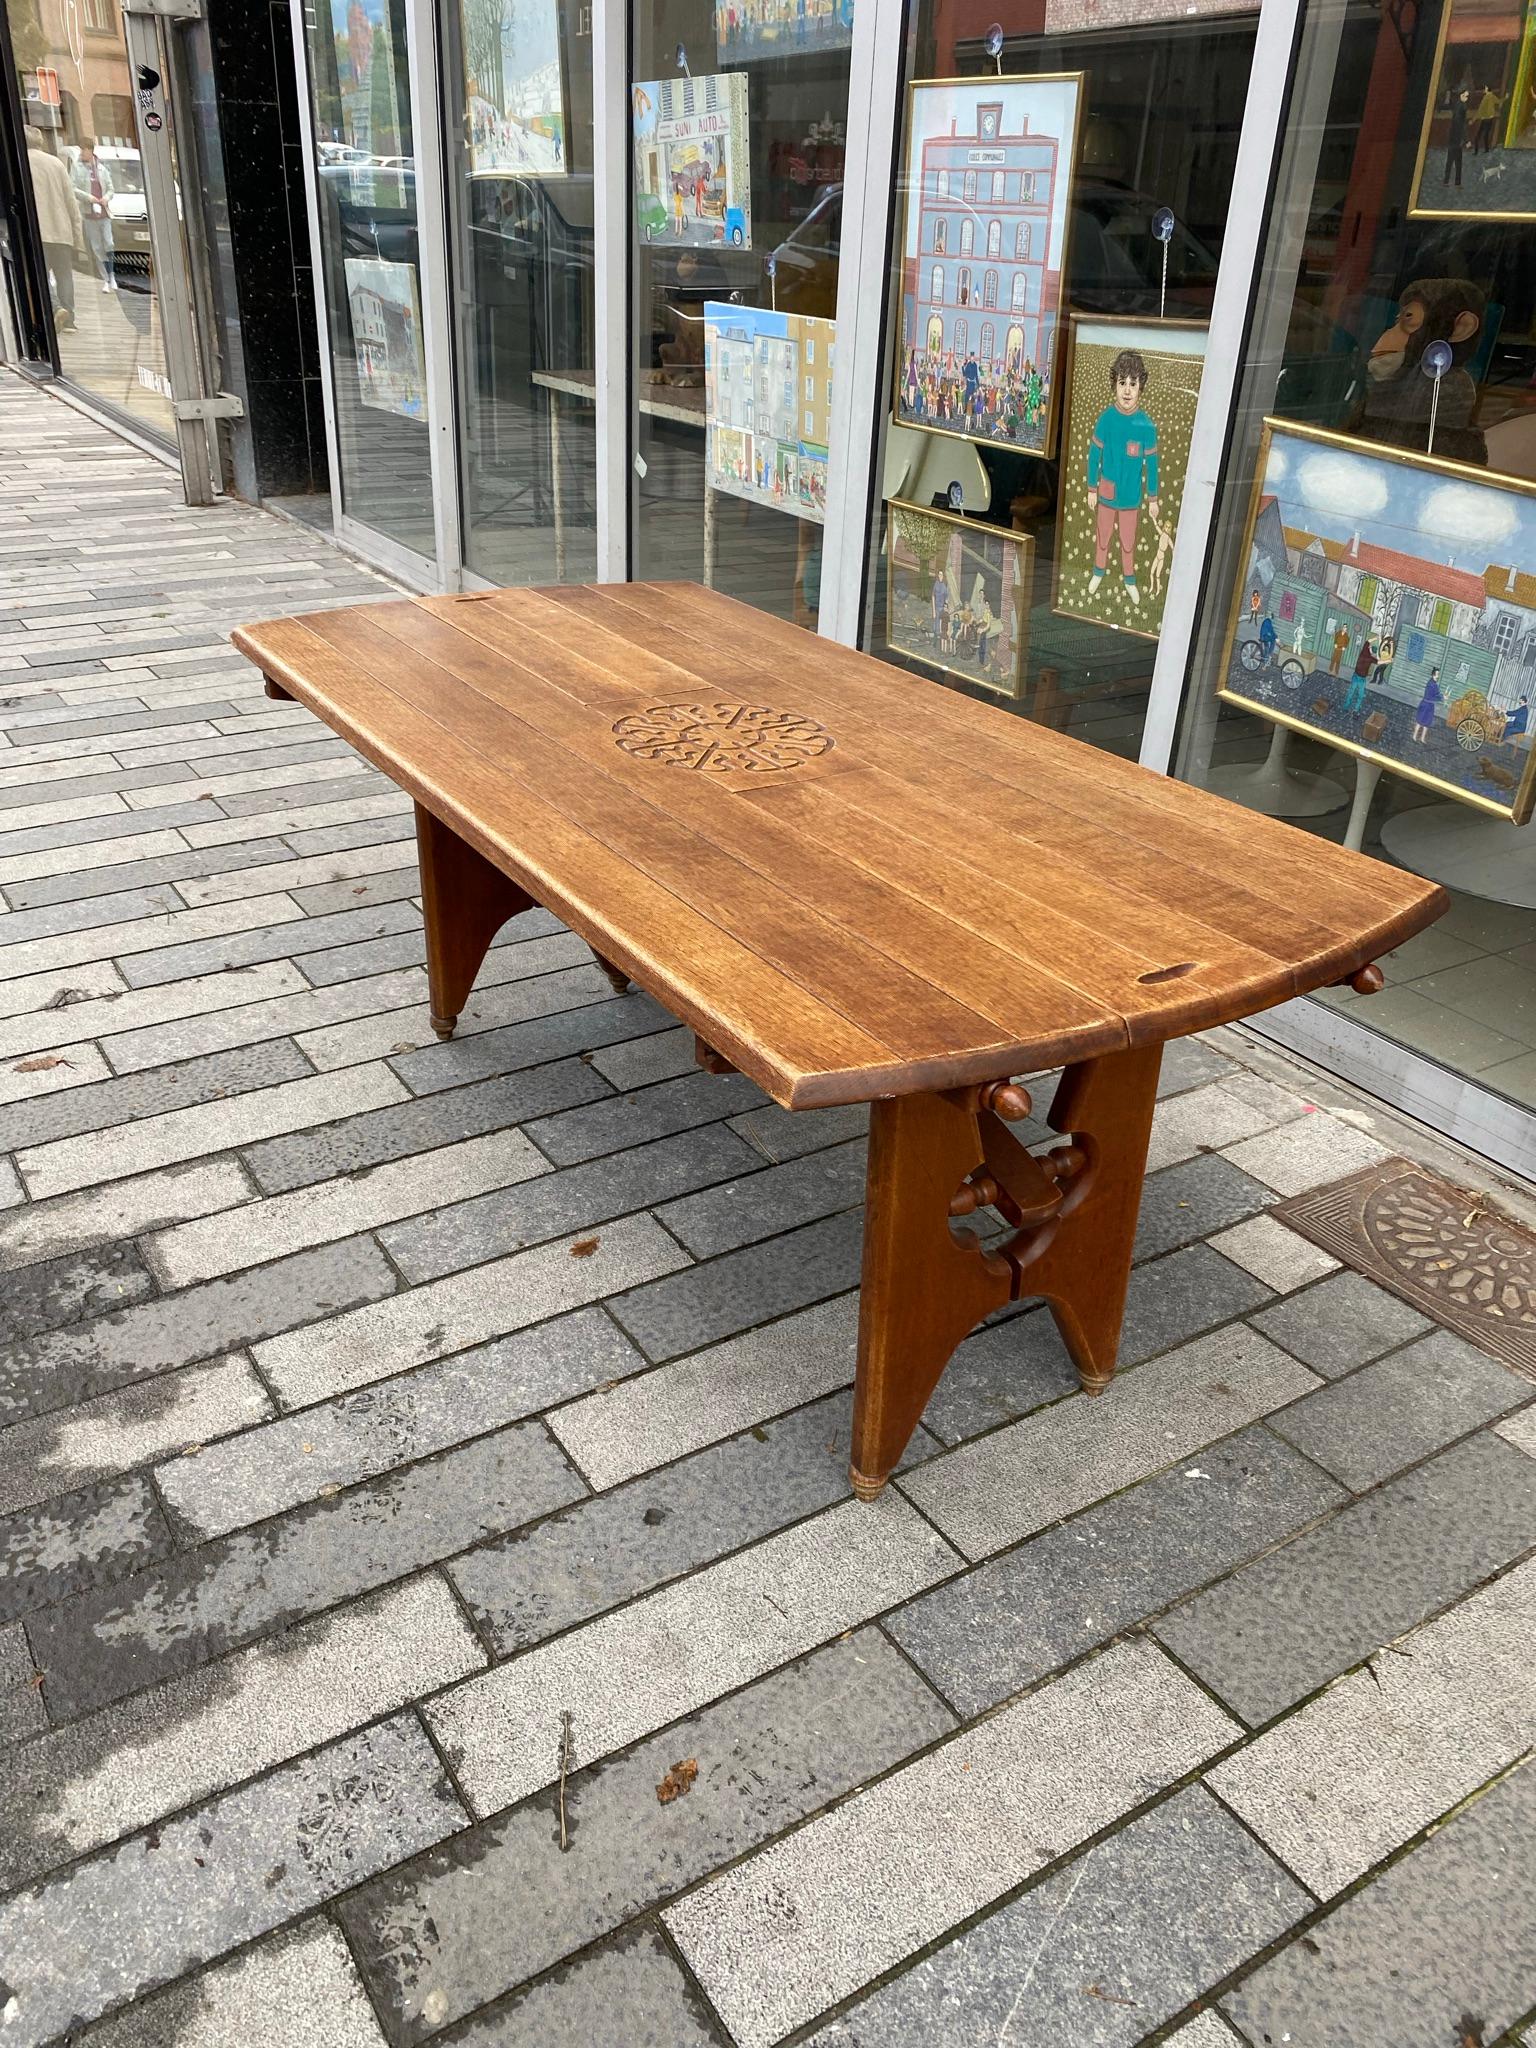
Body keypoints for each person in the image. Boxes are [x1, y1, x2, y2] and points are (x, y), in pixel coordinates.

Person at [1086, 349, 1159, 609]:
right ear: (1114, 385)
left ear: (1141, 387)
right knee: (1103, 537)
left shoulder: (1146, 426)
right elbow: (1094, 456)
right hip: (1106, 494)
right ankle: (1098, 572)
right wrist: (1091, 489)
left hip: (1131, 499)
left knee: (1128, 543)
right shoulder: (1105, 420)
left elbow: (1152, 465)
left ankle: (1130, 581)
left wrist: (1153, 498)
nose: (1127, 390)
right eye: (1122, 383)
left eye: (1133, 383)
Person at [25, 128, 82, 331]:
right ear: (41, 142)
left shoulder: (22, 163)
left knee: (38, 274)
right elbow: (71, 202)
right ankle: (70, 320)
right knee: (64, 275)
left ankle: (56, 307)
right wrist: (77, 236)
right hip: (61, 230)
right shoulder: (57, 163)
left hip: (37, 231)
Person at [72, 144, 116, 293]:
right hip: (89, 214)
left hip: (104, 213)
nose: (82, 153)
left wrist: (106, 198)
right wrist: (88, 197)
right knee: (97, 248)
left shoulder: (102, 168)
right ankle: (106, 279)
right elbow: (73, 188)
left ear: (90, 151)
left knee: (109, 243)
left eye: (84, 150)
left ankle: (112, 275)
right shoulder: (77, 168)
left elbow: (111, 188)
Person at [1444, 85, 1471, 188]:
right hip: (1457, 138)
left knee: (1450, 160)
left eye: (1467, 96)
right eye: (1465, 96)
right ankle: (1457, 183)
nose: (1466, 98)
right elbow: (1462, 126)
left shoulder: (1456, 106)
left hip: (1453, 138)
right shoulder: (1462, 108)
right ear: (1461, 95)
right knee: (1458, 161)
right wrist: (1466, 140)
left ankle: (1446, 181)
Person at [1344, 637, 1375, 713]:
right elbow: (1379, 661)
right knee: (1358, 694)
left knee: (1354, 693)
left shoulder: (1365, 654)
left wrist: (1376, 637)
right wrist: (1389, 660)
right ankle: (1352, 708)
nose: (1369, 647)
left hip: (1359, 677)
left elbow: (1368, 641)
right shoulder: (1368, 656)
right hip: (1359, 677)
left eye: (1370, 647)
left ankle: (1350, 708)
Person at [1413, 666, 1443, 743]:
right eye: (1437, 674)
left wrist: (1442, 697)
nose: (1438, 676)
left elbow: (1437, 694)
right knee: (1420, 721)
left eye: (1438, 674)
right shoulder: (1431, 684)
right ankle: (1414, 736)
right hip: (1426, 704)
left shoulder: (1435, 684)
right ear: (1433, 675)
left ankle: (1422, 738)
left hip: (1430, 705)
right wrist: (1442, 698)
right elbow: (1432, 696)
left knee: (1427, 723)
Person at [1472, 85, 1502, 153]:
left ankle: (1476, 150)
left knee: (1479, 135)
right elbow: (1499, 101)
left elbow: (1480, 110)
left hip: (1485, 119)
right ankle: (1486, 149)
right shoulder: (1492, 96)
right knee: (1486, 135)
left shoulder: (1486, 98)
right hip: (1490, 118)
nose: (1484, 90)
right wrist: (1505, 98)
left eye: (1485, 88)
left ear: (1488, 89)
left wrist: (1474, 119)